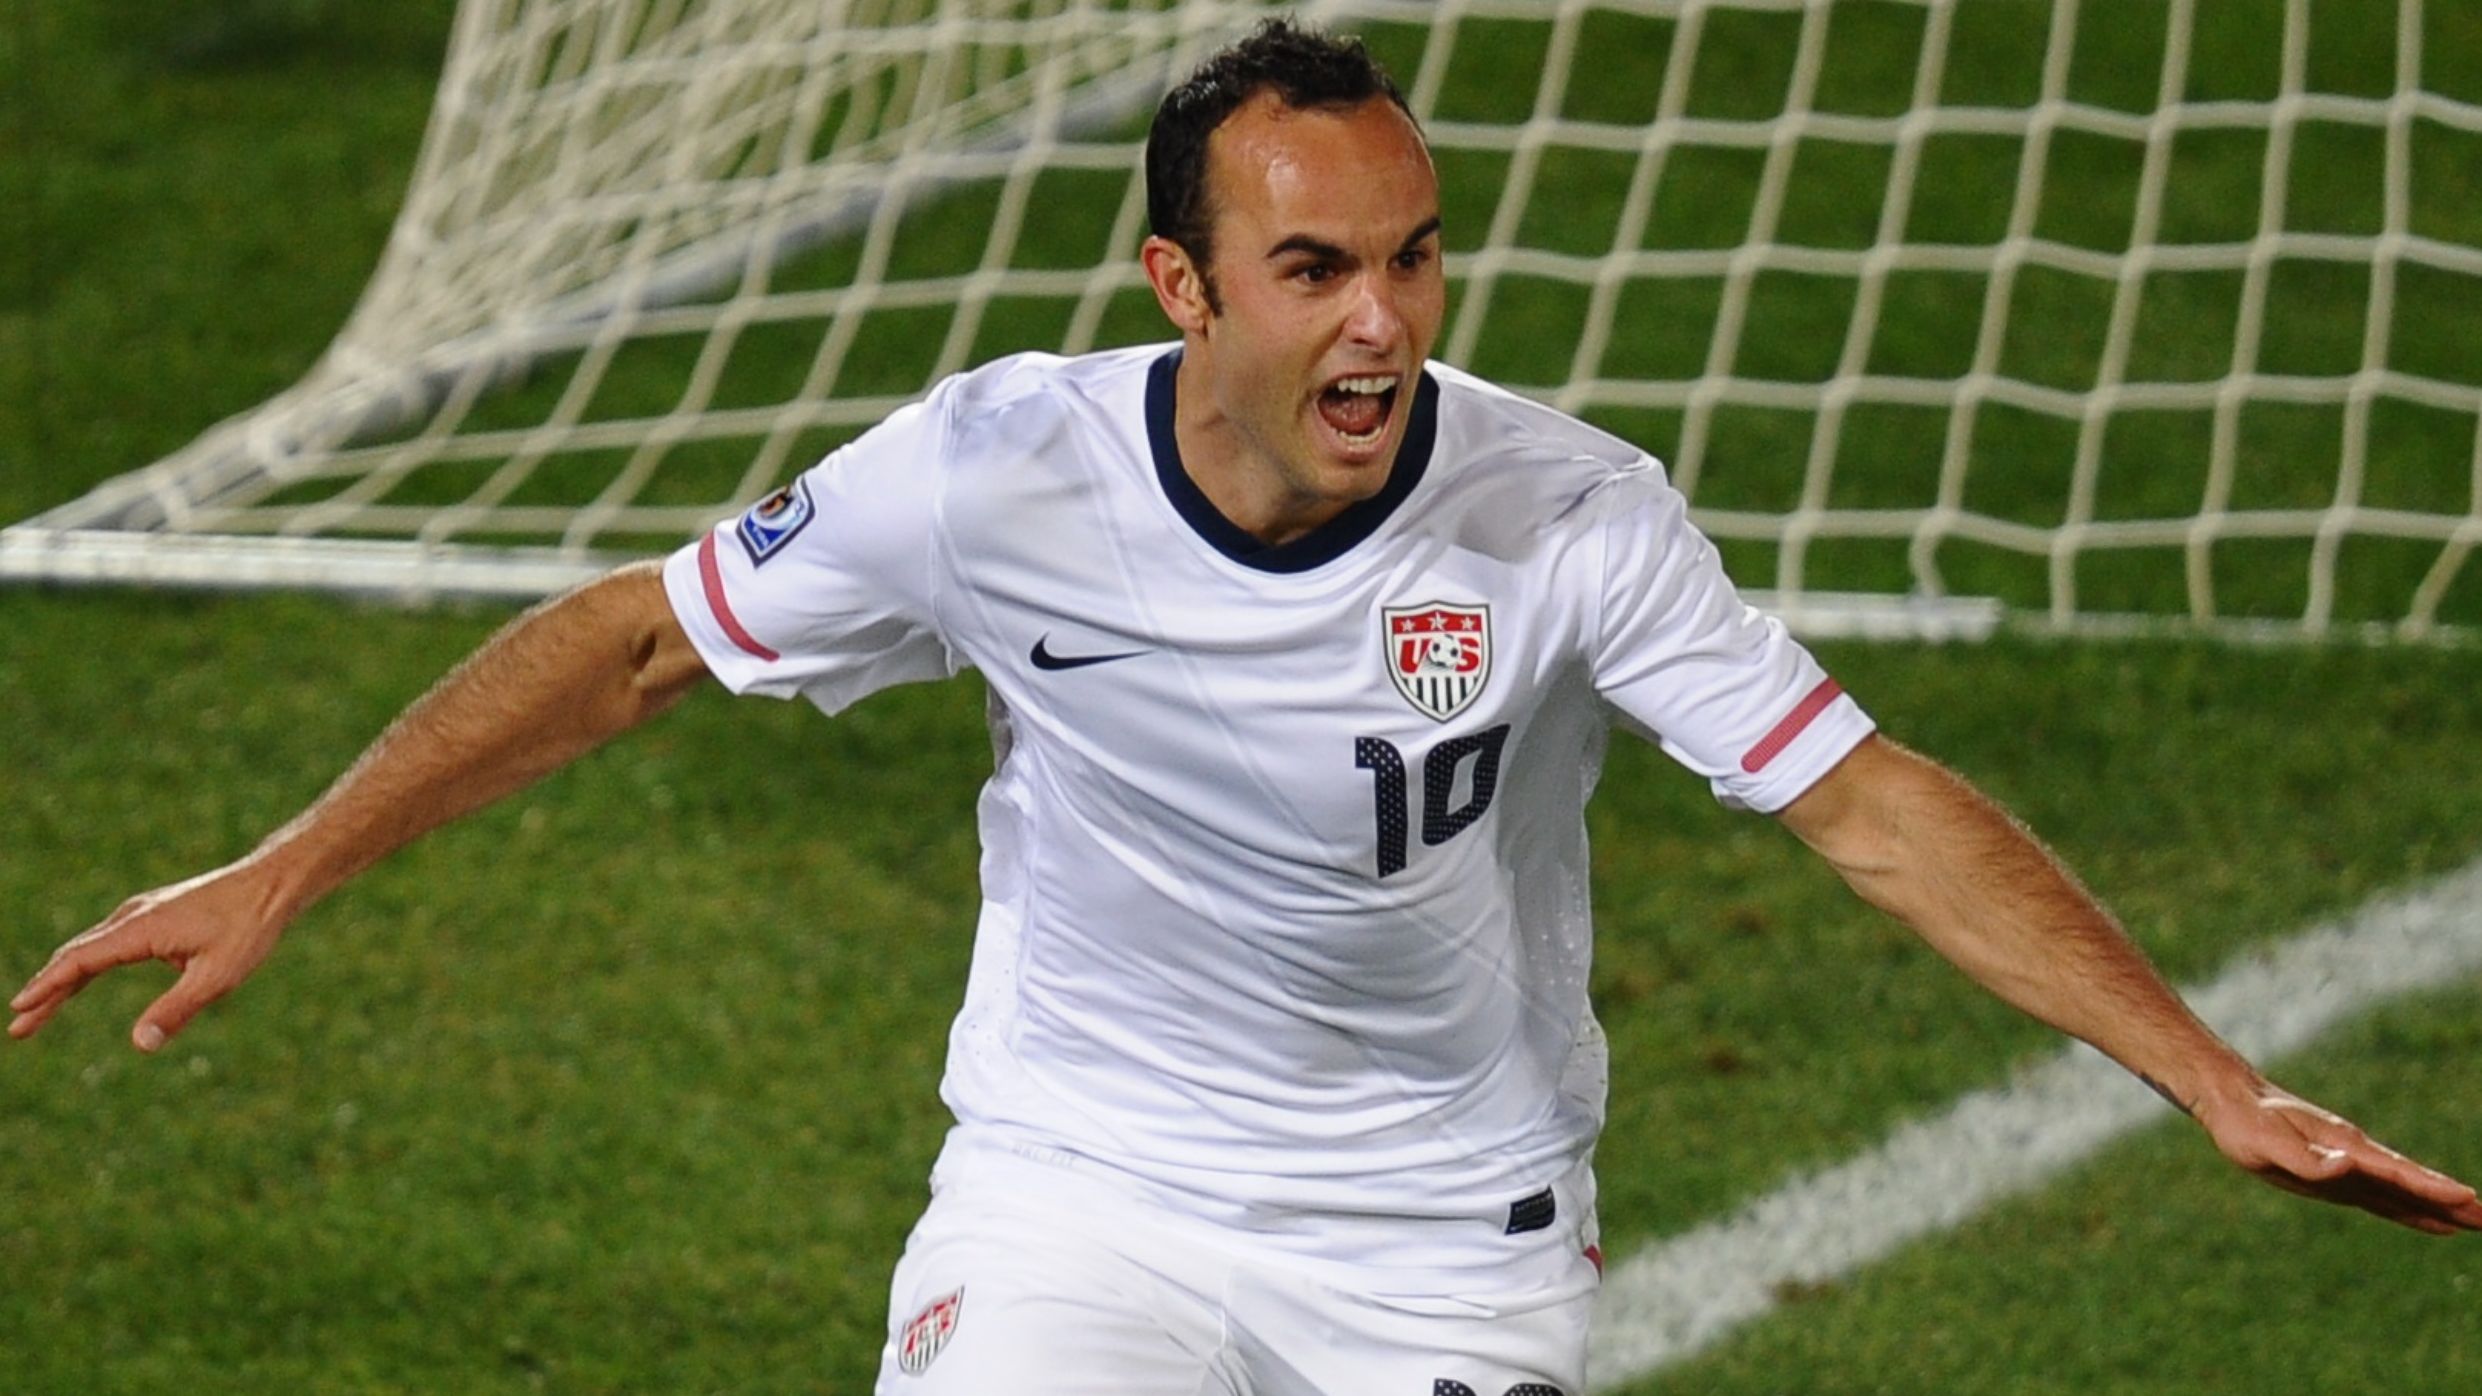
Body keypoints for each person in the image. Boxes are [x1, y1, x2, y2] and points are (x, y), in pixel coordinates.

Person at [12, 18, 2478, 1395]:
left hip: (1444, 1242)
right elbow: (644, 637)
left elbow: (1868, 806)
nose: (1382, 321)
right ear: (1182, 288)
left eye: (1411, 257)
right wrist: (289, 865)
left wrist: (2203, 1072)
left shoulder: (1562, 511)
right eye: (1314, 269)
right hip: (1078, 1188)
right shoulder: (994, 472)